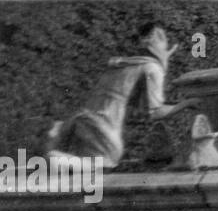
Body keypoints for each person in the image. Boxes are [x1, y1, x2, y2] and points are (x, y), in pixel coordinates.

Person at [47, 23, 196, 168]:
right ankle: (53, 158)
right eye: (163, 39)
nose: (167, 45)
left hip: (80, 119)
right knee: (107, 163)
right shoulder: (152, 68)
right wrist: (187, 103)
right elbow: (155, 112)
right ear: (153, 41)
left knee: (87, 166)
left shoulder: (123, 64)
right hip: (102, 126)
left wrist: (163, 63)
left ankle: (57, 134)